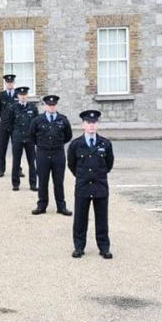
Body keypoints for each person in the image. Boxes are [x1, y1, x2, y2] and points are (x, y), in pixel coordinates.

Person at [67, 110, 114, 259]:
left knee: (102, 219)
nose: (91, 125)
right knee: (80, 219)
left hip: (100, 186)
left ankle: (104, 248)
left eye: (94, 123)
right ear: (83, 125)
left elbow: (109, 164)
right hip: (83, 186)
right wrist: (83, 176)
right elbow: (72, 165)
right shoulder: (76, 144)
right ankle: (79, 247)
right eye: (88, 123)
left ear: (97, 125)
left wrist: (98, 175)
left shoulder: (105, 144)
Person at [27, 95, 73, 216]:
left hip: (58, 153)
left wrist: (57, 144)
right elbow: (32, 136)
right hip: (43, 153)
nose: (51, 107)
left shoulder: (63, 119)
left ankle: (61, 206)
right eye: (49, 105)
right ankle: (41, 205)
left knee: (59, 181)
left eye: (53, 105)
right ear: (45, 106)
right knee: (43, 181)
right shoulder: (37, 120)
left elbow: (68, 136)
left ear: (56, 106)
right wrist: (42, 145)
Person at [8, 86, 38, 191]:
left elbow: (36, 123)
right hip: (18, 138)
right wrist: (15, 134)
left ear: (27, 95)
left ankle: (33, 184)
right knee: (16, 161)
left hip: (30, 139)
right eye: (21, 95)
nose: (23, 96)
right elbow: (10, 124)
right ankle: (15, 184)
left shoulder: (33, 108)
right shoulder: (13, 108)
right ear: (18, 96)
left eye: (25, 94)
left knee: (32, 162)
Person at [0, 74, 18, 177]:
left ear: (14, 83)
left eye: (11, 82)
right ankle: (1, 170)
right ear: (5, 84)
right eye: (8, 82)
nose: (10, 84)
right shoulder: (2, 95)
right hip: (4, 125)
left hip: (15, 125)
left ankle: (18, 169)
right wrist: (5, 118)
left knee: (17, 148)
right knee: (2, 148)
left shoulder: (18, 94)